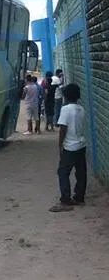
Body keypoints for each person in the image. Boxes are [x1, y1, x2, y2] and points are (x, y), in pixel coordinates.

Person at [49, 83, 87, 213]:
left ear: (65, 95)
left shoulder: (65, 109)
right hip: (81, 144)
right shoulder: (81, 109)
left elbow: (63, 128)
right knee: (81, 172)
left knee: (63, 172)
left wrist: (60, 145)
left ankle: (65, 200)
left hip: (70, 146)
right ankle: (79, 197)